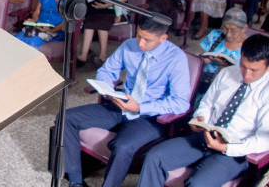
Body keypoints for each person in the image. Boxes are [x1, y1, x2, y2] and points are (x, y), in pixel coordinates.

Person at [59, 15, 191, 187]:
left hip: (149, 117)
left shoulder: (176, 58)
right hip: (121, 105)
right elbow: (107, 71)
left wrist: (141, 107)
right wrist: (106, 88)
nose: (141, 44)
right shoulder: (129, 45)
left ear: (163, 38)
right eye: (139, 36)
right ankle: (76, 181)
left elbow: (180, 102)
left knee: (122, 147)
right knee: (66, 117)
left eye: (148, 40)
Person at [137, 34, 269, 187]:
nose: (247, 74)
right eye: (243, 66)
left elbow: (264, 139)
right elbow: (206, 104)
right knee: (154, 157)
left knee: (198, 183)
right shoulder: (227, 73)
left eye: (254, 70)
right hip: (204, 136)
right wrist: (201, 117)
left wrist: (227, 147)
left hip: (234, 152)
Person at [193, 8, 248, 108]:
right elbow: (203, 56)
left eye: (233, 31)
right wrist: (204, 58)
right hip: (204, 80)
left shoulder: (249, 46)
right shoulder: (215, 35)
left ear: (244, 29)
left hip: (228, 87)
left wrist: (227, 66)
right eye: (225, 28)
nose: (228, 34)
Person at [77, 0, 124, 67]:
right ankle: (84, 54)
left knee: (102, 24)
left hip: (111, 11)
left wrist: (118, 15)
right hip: (100, 9)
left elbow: (118, 1)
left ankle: (102, 54)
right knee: (89, 23)